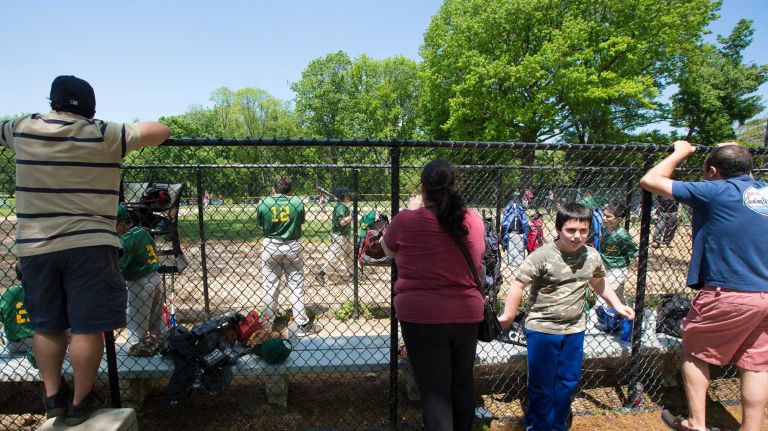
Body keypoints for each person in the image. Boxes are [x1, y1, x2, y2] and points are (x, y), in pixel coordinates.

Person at [0, 75, 170, 426]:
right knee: (86, 327)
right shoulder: (103, 133)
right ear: (91, 106)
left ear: (53, 101)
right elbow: (161, 130)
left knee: (46, 326)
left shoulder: (23, 128)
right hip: (91, 243)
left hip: (36, 244)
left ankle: (52, 397)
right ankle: (81, 400)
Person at [640, 141, 768, 431]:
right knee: (757, 364)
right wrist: (735, 148)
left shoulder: (715, 190)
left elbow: (650, 180)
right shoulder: (764, 191)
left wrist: (680, 152)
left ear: (712, 171)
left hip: (728, 291)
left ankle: (697, 423)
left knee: (695, 352)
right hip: (766, 295)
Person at [497, 203, 634, 431]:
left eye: (583, 230)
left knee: (567, 381)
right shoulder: (542, 255)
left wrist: (618, 304)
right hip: (543, 329)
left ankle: (557, 424)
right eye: (571, 230)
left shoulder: (591, 255)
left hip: (574, 329)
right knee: (542, 385)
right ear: (559, 228)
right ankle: (539, 426)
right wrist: (509, 314)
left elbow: (598, 282)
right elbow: (518, 283)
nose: (577, 236)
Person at [382, 159, 485, 431]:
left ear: (422, 187)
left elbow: (387, 250)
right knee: (462, 382)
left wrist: (414, 210)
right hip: (466, 314)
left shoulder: (406, 220)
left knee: (435, 390)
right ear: (455, 186)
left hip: (422, 316)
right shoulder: (473, 218)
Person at [256, 176, 315, 337]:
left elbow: (261, 224)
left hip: (271, 245)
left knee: (270, 285)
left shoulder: (264, 202)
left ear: (274, 189)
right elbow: (301, 222)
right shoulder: (296, 201)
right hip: (292, 246)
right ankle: (302, 323)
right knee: (296, 286)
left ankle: (267, 323)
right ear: (291, 191)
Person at [115, 205, 164, 354]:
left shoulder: (126, 240)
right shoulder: (142, 231)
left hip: (140, 284)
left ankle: (137, 372)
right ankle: (161, 345)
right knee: (158, 326)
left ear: (123, 223)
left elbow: (119, 267)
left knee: (136, 331)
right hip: (156, 279)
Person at [593, 202, 638, 316]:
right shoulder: (604, 229)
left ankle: (598, 315)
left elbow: (634, 251)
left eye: (608, 216)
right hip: (605, 266)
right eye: (604, 215)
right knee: (617, 295)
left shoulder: (622, 235)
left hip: (619, 268)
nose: (604, 218)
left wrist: (637, 261)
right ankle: (626, 315)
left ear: (619, 219)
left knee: (605, 293)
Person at [316, 187, 353, 284]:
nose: (348, 196)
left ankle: (353, 275)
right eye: (347, 195)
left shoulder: (342, 206)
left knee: (350, 255)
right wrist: (351, 217)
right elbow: (342, 222)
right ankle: (321, 274)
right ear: (343, 196)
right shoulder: (340, 207)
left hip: (346, 234)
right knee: (335, 257)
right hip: (339, 236)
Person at [0, 263, 34, 357]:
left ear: (18, 277)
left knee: (3, 328)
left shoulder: (8, 293)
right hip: (41, 340)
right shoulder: (43, 292)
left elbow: (2, 318)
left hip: (14, 345)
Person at [501, 194, 530, 269]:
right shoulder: (517, 208)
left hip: (513, 233)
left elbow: (504, 224)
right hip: (516, 233)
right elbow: (525, 224)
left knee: (515, 253)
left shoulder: (511, 208)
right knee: (517, 254)